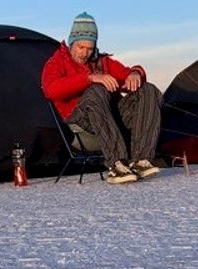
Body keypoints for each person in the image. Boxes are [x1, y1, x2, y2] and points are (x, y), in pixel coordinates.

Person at [42, 13, 163, 185]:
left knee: (148, 89)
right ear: (71, 42)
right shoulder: (56, 63)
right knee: (96, 90)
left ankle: (141, 161)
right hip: (80, 120)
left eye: (89, 48)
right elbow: (50, 90)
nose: (85, 53)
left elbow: (129, 73)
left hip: (109, 116)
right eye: (80, 47)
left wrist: (135, 73)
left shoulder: (101, 61)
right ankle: (117, 163)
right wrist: (89, 78)